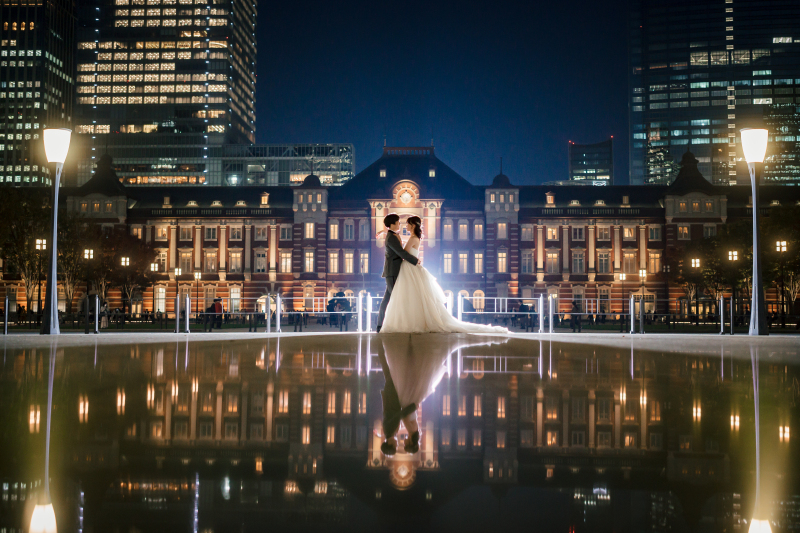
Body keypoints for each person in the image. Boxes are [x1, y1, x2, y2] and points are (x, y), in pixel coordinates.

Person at [380, 215, 508, 334]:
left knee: (401, 297)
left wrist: (389, 235)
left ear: (413, 226)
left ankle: (394, 324)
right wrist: (387, 234)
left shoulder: (410, 238)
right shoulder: (408, 237)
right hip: (406, 268)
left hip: (408, 268)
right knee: (404, 297)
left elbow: (403, 252)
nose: (403, 225)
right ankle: (391, 324)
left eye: (407, 224)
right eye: (399, 223)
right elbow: (401, 251)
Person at [376, 213, 420, 332]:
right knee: (395, 298)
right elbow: (401, 252)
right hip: (393, 271)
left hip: (393, 271)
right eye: (398, 222)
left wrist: (383, 232)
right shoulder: (391, 237)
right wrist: (415, 260)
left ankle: (381, 325)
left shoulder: (392, 235)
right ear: (392, 224)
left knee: (388, 298)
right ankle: (388, 325)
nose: (400, 224)